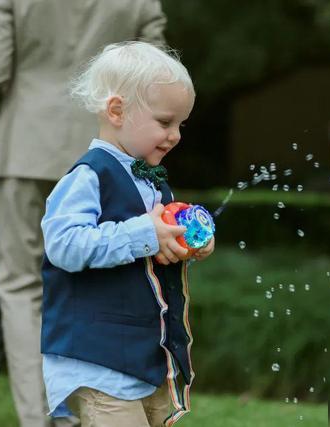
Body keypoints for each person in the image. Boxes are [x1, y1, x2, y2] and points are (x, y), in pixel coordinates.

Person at [0, 1, 168, 426]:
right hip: (107, 152)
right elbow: (157, 76)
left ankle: (43, 418)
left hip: (27, 148)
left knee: (18, 285)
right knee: (96, 276)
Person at [40, 41, 214, 427]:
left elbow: (147, 245)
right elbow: (64, 245)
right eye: (165, 122)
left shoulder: (152, 183)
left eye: (180, 125)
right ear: (117, 111)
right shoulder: (88, 176)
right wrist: (144, 233)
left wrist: (182, 242)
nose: (176, 136)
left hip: (146, 356)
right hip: (101, 357)